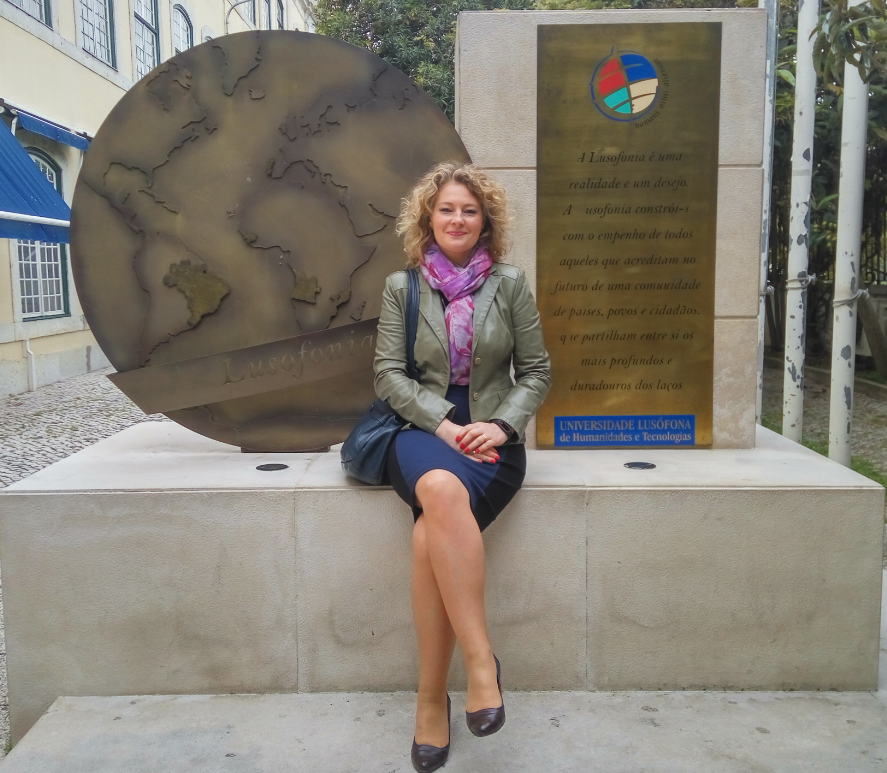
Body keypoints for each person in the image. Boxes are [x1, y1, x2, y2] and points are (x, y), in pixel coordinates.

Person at [374, 161, 551, 772]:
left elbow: (536, 372)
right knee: (439, 488)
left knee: (431, 531)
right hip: (422, 433)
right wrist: (445, 424)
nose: (457, 219)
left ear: (485, 222)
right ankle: (481, 663)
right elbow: (388, 375)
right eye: (446, 209)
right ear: (428, 217)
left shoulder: (510, 284)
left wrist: (502, 425)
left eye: (469, 211)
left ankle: (430, 701)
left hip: (493, 438)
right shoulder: (403, 287)